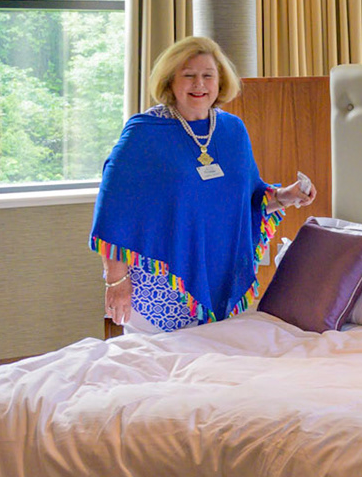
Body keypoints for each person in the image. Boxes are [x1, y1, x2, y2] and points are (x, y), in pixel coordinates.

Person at [90, 36, 316, 334]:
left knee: (211, 360)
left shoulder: (232, 129)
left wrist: (287, 196)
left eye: (208, 75)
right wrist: (116, 280)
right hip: (161, 284)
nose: (199, 84)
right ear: (171, 82)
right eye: (188, 75)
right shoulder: (144, 132)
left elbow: (248, 200)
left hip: (218, 276)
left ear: (220, 82)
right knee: (161, 362)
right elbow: (113, 211)